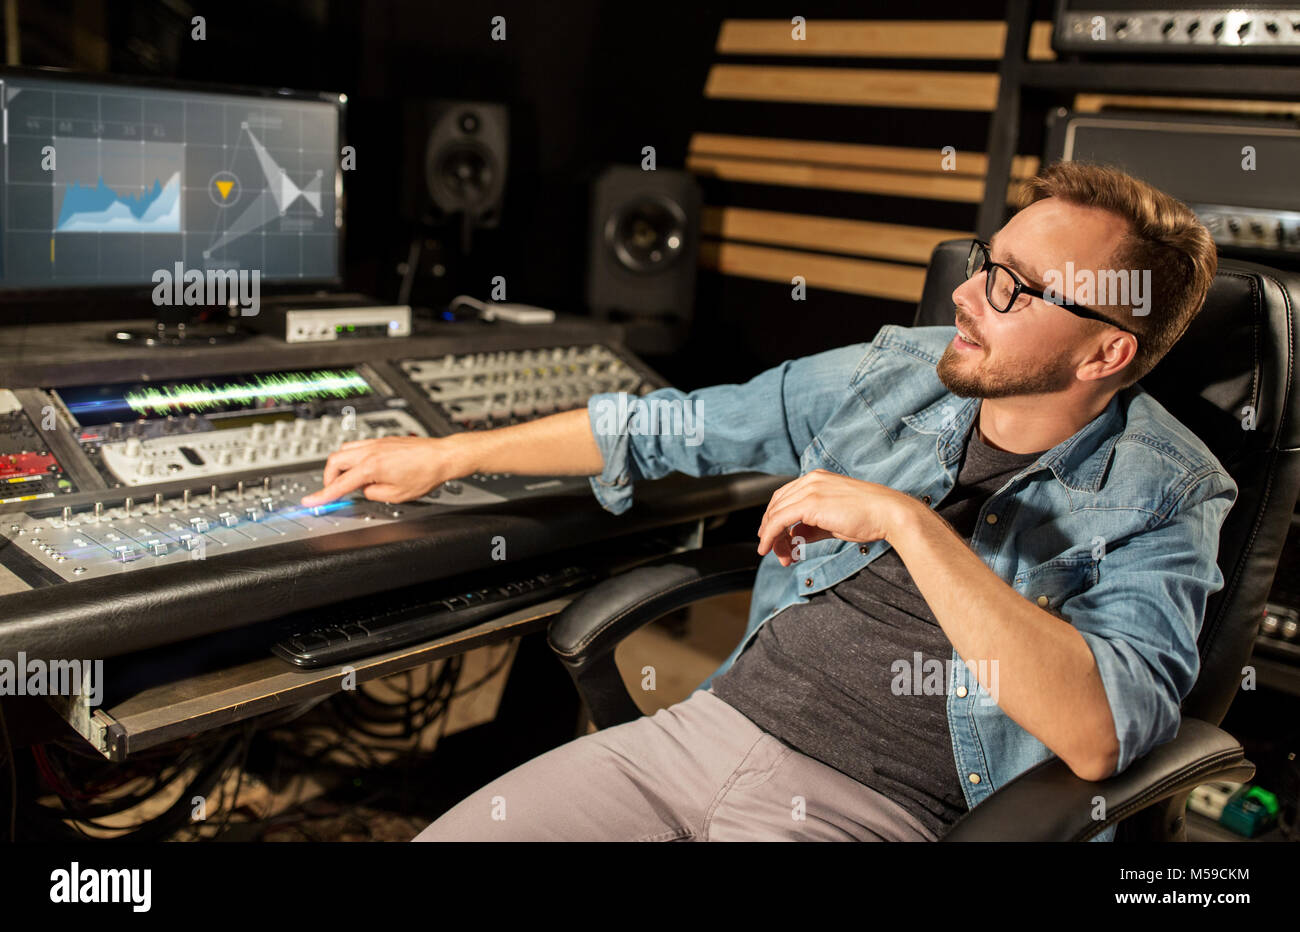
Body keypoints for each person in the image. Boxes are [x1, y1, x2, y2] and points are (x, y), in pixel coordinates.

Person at [301, 160, 1234, 842]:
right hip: (705, 732)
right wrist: (445, 456)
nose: (966, 294)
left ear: (1106, 352)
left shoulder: (1167, 490)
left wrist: (907, 524)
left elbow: (1103, 732)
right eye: (989, 259)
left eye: (1014, 289)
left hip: (878, 810)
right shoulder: (896, 371)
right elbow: (668, 426)